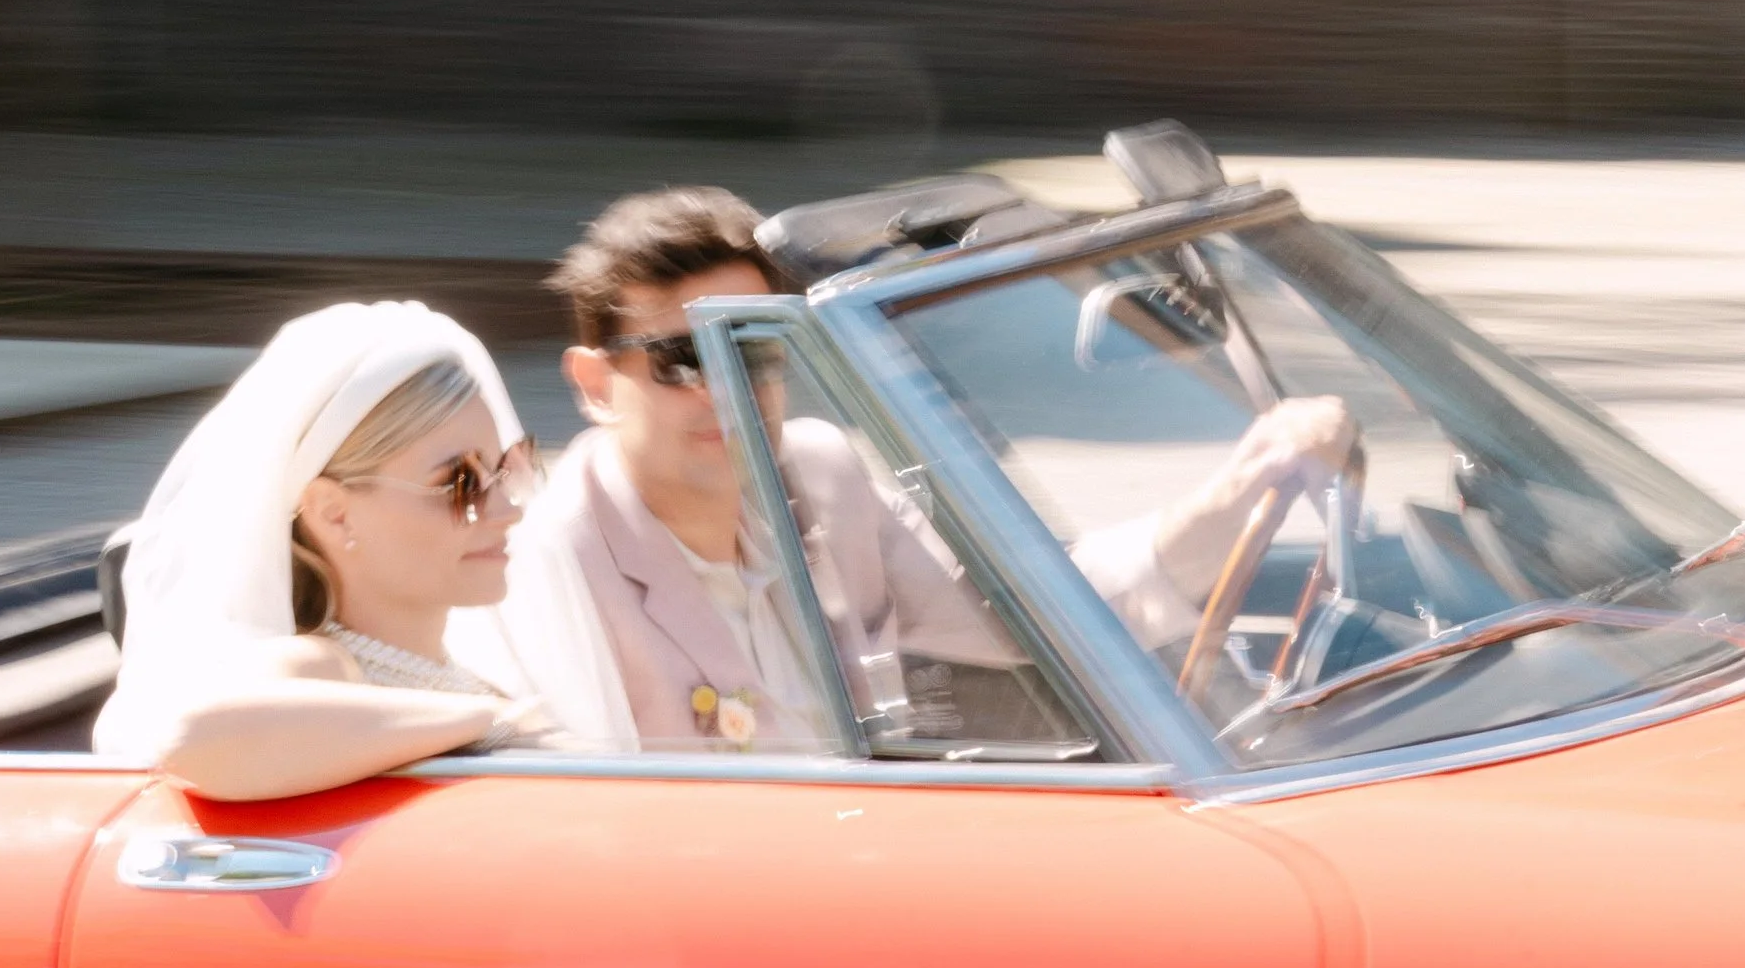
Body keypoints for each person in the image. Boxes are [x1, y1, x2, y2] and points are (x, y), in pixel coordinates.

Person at [475, 185, 1356, 753]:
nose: (729, 391)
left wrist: (1245, 488)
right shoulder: (552, 562)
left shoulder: (819, 475)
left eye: (757, 352)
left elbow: (1035, 613)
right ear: (595, 384)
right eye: (682, 360)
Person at [95, 301, 542, 796]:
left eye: (506, 470)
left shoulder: (475, 668)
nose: (507, 510)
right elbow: (191, 737)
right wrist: (490, 721)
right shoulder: (318, 667)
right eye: (460, 482)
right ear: (335, 514)